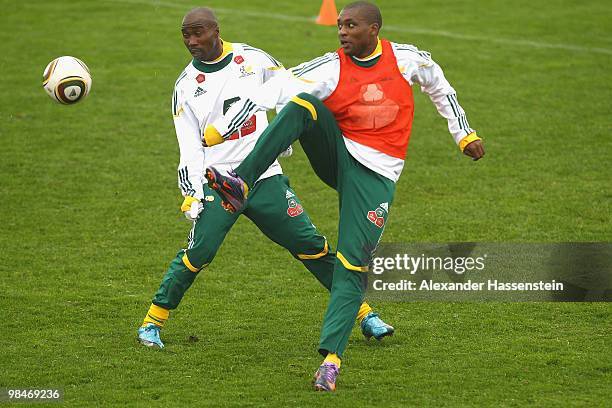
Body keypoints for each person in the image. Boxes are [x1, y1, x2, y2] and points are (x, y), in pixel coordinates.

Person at [202, 1, 485, 391]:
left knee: (353, 266)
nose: (342, 32)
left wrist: (463, 133)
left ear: (374, 29)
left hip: (375, 179)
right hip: (339, 157)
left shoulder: (406, 59)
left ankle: (331, 361)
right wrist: (222, 127)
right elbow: (270, 91)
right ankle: (241, 182)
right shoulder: (329, 66)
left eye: (351, 25)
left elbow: (438, 83)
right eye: (339, 25)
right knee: (304, 105)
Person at [137, 7, 394, 350]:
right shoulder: (184, 87)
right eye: (186, 35)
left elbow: (289, 91)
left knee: (313, 247)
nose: (192, 41)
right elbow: (189, 147)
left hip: (265, 178)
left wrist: (286, 134)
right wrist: (191, 191)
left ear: (216, 30)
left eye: (199, 33)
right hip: (219, 183)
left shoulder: (253, 60)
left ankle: (364, 314)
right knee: (199, 252)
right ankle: (152, 321)